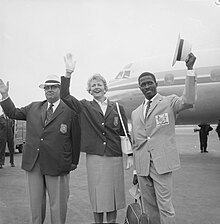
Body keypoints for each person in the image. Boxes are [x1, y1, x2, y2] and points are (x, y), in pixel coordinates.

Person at [60, 53, 133, 224]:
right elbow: (65, 96)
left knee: (113, 193)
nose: (96, 87)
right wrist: (68, 74)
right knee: (98, 193)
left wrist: (129, 155)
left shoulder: (117, 107)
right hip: (95, 155)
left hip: (114, 154)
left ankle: (112, 222)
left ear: (105, 87)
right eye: (93, 85)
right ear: (89, 90)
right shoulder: (84, 106)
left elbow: (124, 132)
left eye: (99, 84)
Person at [0, 75, 81, 224]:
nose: (49, 90)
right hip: (34, 163)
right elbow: (13, 113)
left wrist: (74, 162)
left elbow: (76, 137)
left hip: (58, 164)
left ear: (59, 89)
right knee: (35, 205)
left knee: (58, 205)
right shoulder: (33, 107)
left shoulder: (69, 110)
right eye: (46, 88)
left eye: (53, 87)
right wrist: (5, 95)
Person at [131, 52, 197, 224]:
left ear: (156, 84)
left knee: (165, 207)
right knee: (150, 207)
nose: (147, 87)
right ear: (140, 88)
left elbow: (188, 101)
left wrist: (190, 70)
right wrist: (136, 171)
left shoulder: (169, 102)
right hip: (143, 166)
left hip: (162, 164)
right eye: (143, 85)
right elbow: (137, 144)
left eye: (149, 83)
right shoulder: (136, 113)